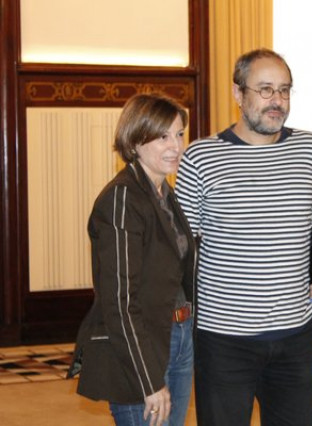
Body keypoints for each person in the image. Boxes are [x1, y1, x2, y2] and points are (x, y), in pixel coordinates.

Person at [175, 48, 312, 426]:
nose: (276, 101)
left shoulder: (310, 149)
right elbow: (184, 250)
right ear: (238, 94)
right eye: (265, 90)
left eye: (284, 90)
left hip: (297, 336)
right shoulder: (201, 158)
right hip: (224, 340)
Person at [68, 93, 197, 426]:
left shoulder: (164, 193)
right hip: (140, 347)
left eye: (180, 134)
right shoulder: (123, 197)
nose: (176, 145)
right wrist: (149, 382)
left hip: (178, 336)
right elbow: (120, 301)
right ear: (136, 140)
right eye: (162, 136)